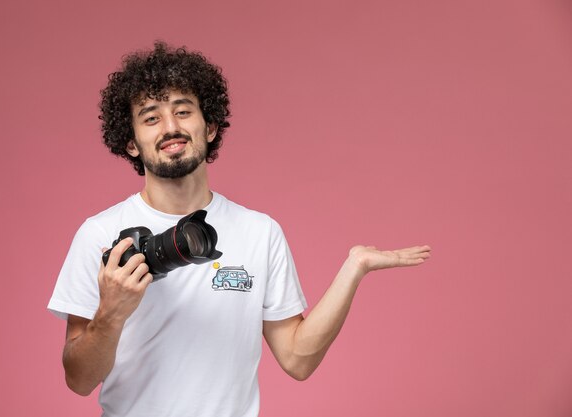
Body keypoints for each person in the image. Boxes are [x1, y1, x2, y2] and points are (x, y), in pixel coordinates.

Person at [48, 41, 431, 417]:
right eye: (151, 118)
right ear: (131, 143)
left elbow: (298, 359)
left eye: (183, 112)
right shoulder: (100, 234)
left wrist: (354, 268)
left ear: (210, 126)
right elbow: (80, 380)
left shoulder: (259, 232)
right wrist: (112, 312)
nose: (170, 128)